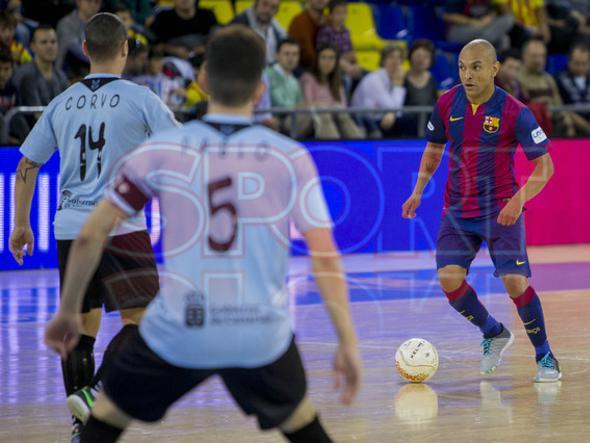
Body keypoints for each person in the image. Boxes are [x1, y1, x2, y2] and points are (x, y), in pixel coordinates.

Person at [44, 24, 362, 443]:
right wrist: (348, 343)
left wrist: (68, 310)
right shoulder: (290, 157)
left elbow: (91, 234)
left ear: (203, 80)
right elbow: (325, 257)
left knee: (103, 419)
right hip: (258, 332)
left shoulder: (164, 150)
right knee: (304, 424)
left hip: (179, 328)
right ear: (261, 89)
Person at [9, 13, 179, 442]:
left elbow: (27, 163)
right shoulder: (141, 99)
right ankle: (96, 395)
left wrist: (20, 224)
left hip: (70, 228)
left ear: (84, 49)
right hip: (120, 225)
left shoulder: (62, 102)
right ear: (125, 48)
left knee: (81, 328)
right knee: (144, 323)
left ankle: (80, 425)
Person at [401, 39, 561, 383]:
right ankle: (493, 332)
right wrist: (417, 191)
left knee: (515, 282)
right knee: (448, 279)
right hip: (457, 209)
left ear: (494, 69)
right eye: (461, 67)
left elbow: (544, 167)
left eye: (475, 67)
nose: (467, 74)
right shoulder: (446, 103)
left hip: (500, 208)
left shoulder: (515, 111)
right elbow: (433, 149)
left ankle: (544, 355)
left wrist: (518, 200)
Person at [301, 44, 364, 139]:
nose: (327, 62)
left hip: (335, 118)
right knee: (324, 113)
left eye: (331, 58)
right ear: (317, 60)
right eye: (323, 57)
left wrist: (333, 107)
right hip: (314, 119)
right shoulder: (308, 78)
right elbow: (308, 103)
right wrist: (329, 106)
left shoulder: (338, 82)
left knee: (341, 113)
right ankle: (333, 147)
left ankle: (359, 145)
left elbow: (342, 106)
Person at [351, 45, 414, 138]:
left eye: (399, 58)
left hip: (379, 117)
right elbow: (391, 107)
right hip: (362, 120)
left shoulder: (392, 77)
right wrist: (398, 85)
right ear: (383, 60)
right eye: (391, 57)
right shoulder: (374, 79)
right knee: (405, 120)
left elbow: (395, 110)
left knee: (410, 118)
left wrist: (391, 113)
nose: (395, 61)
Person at [518, 37, 574, 136]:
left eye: (542, 56)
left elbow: (558, 104)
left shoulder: (548, 79)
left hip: (553, 125)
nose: (539, 60)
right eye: (534, 56)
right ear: (524, 56)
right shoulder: (517, 78)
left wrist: (567, 123)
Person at [556, 43, 590, 136]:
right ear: (569, 62)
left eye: (584, 64)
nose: (580, 67)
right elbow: (563, 108)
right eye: (577, 63)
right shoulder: (560, 79)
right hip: (572, 121)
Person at [266, 38, 313, 137]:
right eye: (287, 54)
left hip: (294, 120)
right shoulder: (267, 75)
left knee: (324, 115)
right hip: (276, 122)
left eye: (295, 54)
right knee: (317, 114)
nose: (291, 58)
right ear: (277, 55)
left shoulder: (294, 81)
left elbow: (300, 103)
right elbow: (278, 104)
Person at [148, 0, 218, 62]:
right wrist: (173, 50)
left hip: (207, 60)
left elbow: (217, 42)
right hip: (173, 64)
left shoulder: (208, 15)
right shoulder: (163, 18)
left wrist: (199, 50)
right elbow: (154, 46)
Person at [316, 0, 361, 82]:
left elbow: (352, 53)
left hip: (348, 64)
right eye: (338, 13)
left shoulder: (346, 31)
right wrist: (344, 61)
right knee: (346, 79)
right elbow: (325, 55)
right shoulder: (326, 32)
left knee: (366, 74)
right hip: (333, 67)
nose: (342, 16)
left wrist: (356, 65)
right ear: (330, 15)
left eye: (344, 13)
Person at [444, 0, 515, 51]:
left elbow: (496, 11)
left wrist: (490, 16)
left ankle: (497, 66)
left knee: (504, 39)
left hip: (482, 29)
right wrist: (473, 22)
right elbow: (447, 16)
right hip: (458, 31)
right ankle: (487, 39)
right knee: (496, 36)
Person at [231, 0, 287, 64]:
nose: (267, 10)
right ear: (256, 3)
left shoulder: (277, 29)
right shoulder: (239, 24)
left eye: (273, 7)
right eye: (264, 4)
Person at [56, 0, 102, 71]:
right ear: (78, 2)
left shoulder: (102, 25)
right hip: (66, 73)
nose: (93, 5)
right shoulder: (66, 24)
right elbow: (77, 50)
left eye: (97, 2)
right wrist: (103, 60)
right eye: (89, 1)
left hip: (92, 70)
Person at [288, 0, 328, 70]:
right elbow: (308, 55)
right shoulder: (299, 21)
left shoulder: (330, 21)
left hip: (325, 66)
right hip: (301, 68)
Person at [404, 39, 439, 107]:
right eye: (418, 56)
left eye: (426, 57)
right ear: (410, 56)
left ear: (431, 60)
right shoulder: (402, 78)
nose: (421, 60)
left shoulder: (432, 78)